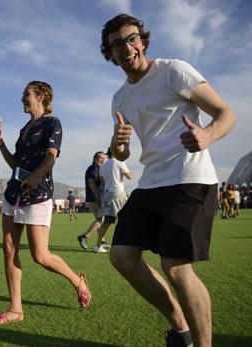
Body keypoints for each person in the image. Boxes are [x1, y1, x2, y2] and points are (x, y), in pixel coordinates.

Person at [101, 14, 236, 347]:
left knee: (175, 266)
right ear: (110, 54)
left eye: (131, 38)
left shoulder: (174, 71)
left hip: (190, 177)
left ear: (143, 41)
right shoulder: (120, 99)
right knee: (121, 255)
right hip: (151, 183)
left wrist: (207, 134)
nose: (126, 47)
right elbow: (120, 153)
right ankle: (182, 329)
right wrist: (117, 145)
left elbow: (225, 113)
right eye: (117, 44)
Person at [0, 80, 90, 326]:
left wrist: (35, 177)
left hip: (38, 194)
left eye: (26, 94)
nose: (22, 98)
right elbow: (16, 165)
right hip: (14, 193)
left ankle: (78, 281)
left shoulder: (52, 123)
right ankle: (16, 309)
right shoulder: (24, 129)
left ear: (41, 96)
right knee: (9, 248)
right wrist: (0, 144)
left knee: (40, 256)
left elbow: (51, 157)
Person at [93, 148, 131, 253]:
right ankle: (125, 244)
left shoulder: (103, 165)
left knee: (107, 221)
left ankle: (98, 246)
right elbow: (129, 176)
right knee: (126, 218)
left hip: (107, 194)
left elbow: (102, 182)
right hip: (117, 193)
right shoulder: (120, 162)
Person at [77, 151, 107, 249]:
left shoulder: (97, 168)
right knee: (100, 220)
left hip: (94, 198)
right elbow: (91, 183)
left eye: (104, 158)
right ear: (95, 158)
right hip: (94, 199)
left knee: (99, 221)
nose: (103, 160)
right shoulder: (93, 168)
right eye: (100, 158)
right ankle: (84, 236)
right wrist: (98, 198)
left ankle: (102, 243)